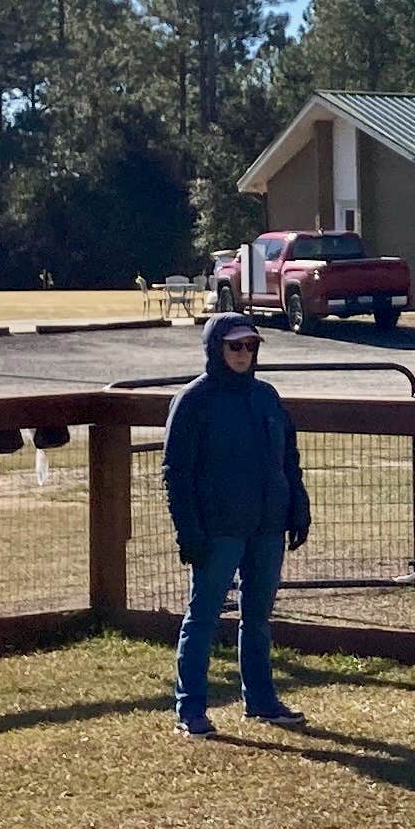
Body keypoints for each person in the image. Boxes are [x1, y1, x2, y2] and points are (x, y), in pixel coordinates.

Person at [162, 312, 310, 736]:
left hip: (267, 526)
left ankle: (261, 700)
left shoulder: (266, 396)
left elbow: (288, 458)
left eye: (250, 345)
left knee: (258, 617)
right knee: (203, 617)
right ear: (216, 349)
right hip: (219, 529)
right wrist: (188, 531)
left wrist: (297, 505)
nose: (243, 353)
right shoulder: (194, 400)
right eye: (235, 346)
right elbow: (176, 471)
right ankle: (190, 709)